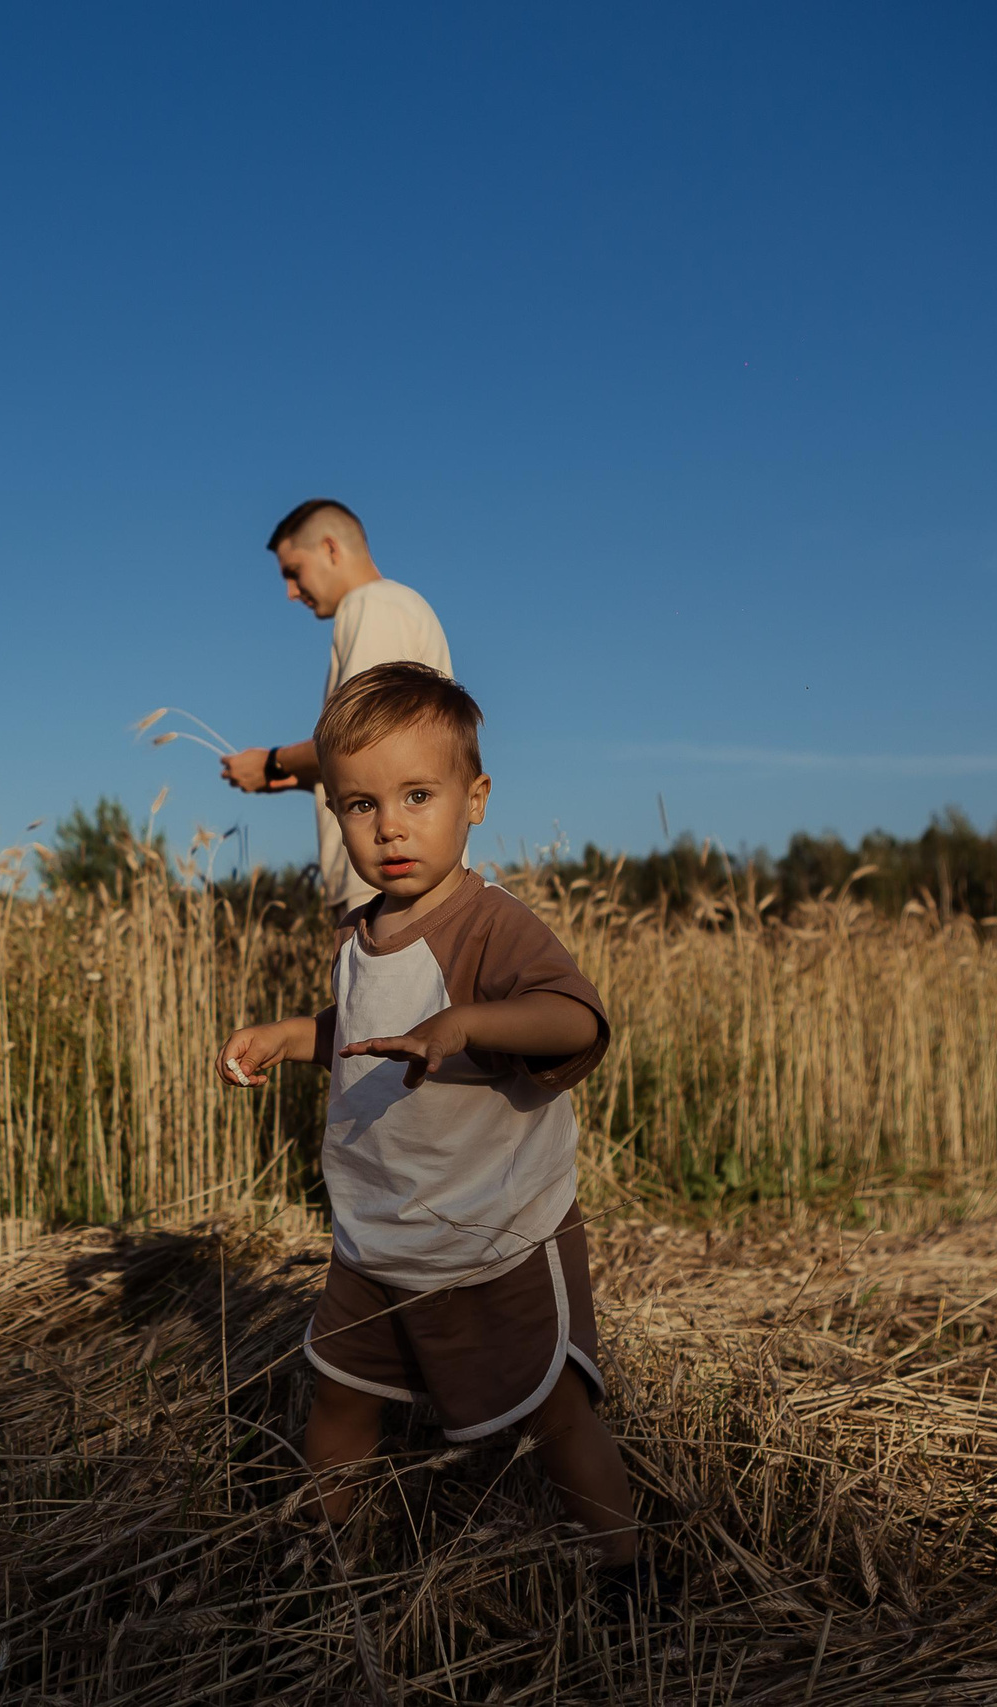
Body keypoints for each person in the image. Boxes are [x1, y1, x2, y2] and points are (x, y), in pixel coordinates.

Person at [216, 663, 643, 1591]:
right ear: (336, 813)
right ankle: (325, 1560)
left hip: (493, 1232)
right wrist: (291, 1036)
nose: (391, 826)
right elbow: (361, 1031)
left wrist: (468, 1024)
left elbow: (575, 1018)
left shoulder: (492, 927)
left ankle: (626, 1570)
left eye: (418, 795)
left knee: (554, 1413)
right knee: (340, 1396)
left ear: (474, 799)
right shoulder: (359, 933)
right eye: (361, 804)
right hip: (380, 1234)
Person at [220, 500, 454, 920]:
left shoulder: (372, 606)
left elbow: (363, 740)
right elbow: (379, 758)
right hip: (396, 875)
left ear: (330, 549)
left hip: (390, 877)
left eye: (294, 571)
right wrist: (297, 776)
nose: (291, 592)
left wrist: (271, 762)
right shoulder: (387, 607)